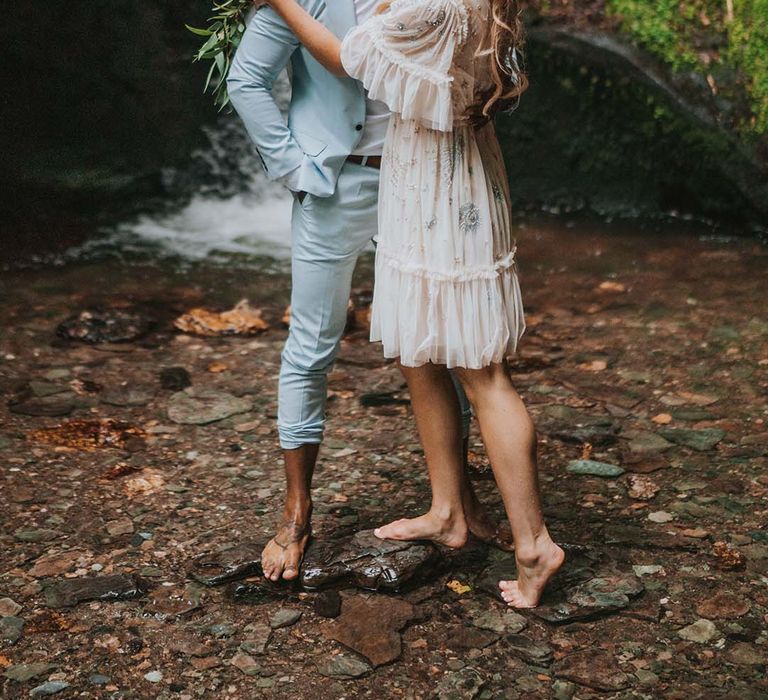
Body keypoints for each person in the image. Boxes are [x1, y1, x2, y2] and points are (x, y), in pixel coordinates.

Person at [259, 0, 565, 607]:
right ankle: (447, 509)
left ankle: (535, 545)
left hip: (442, 193)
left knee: (483, 374)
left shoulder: (435, 7)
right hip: (443, 178)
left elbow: (346, 58)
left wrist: (280, 2)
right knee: (420, 352)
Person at [227, 0, 501, 585]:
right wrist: (294, 168)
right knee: (312, 346)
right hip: (334, 184)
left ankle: (456, 498)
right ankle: (297, 512)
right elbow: (246, 77)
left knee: (436, 337)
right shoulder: (306, 4)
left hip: (420, 185)